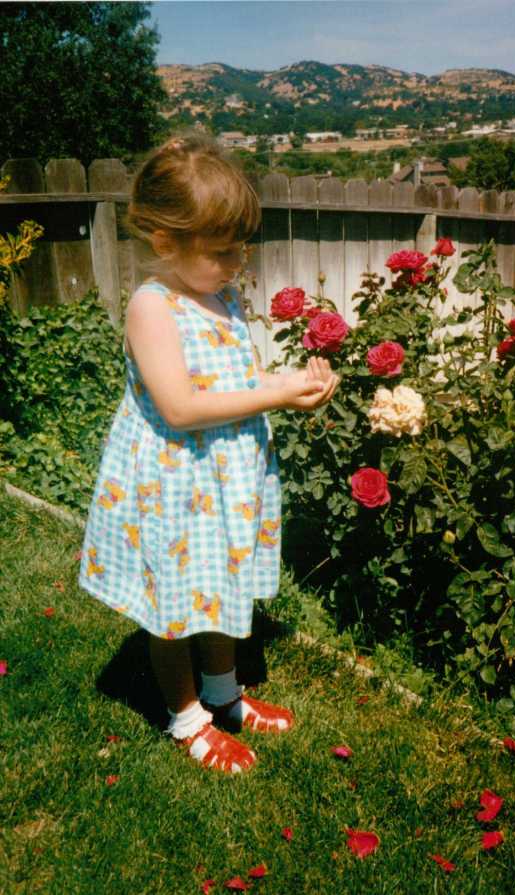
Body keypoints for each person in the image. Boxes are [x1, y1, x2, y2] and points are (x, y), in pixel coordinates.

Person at [78, 132, 339, 774]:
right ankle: (186, 716)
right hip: (172, 478)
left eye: (239, 249)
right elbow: (180, 406)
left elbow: (231, 381)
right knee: (175, 600)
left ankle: (223, 693)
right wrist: (273, 396)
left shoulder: (220, 298)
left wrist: (290, 383)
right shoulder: (152, 306)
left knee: (219, 582)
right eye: (222, 252)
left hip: (222, 475)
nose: (237, 263)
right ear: (167, 242)